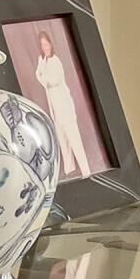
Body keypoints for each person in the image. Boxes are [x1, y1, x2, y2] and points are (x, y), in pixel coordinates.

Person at [31, 25, 95, 179]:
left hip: (64, 105)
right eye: (42, 45)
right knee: (62, 138)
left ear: (51, 44)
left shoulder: (55, 61)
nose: (44, 47)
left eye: (46, 44)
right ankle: (70, 169)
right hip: (55, 108)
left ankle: (86, 171)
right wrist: (41, 71)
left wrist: (43, 78)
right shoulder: (44, 60)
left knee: (73, 137)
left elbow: (52, 80)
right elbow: (37, 75)